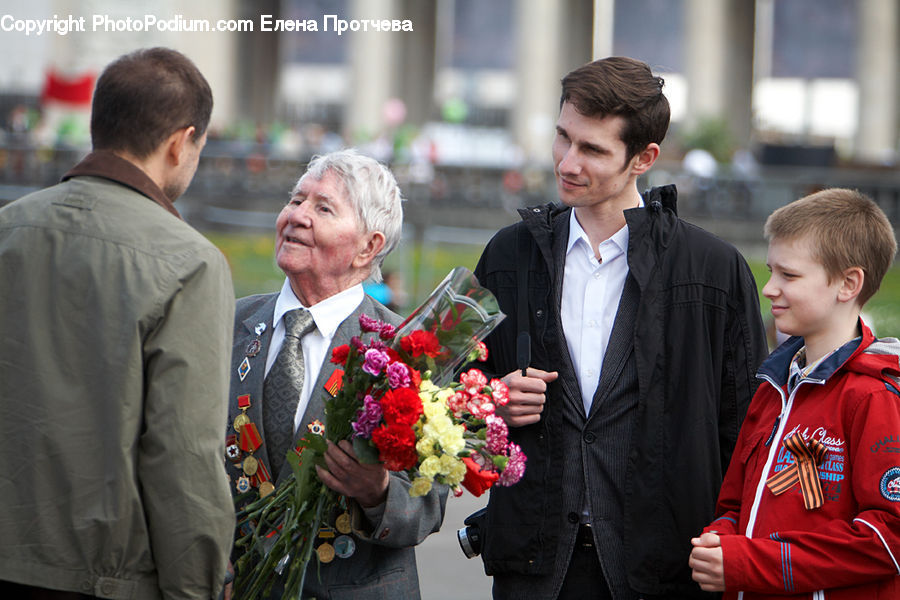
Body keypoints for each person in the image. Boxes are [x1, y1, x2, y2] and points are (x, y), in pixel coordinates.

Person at [471, 56, 769, 599]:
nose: (567, 161)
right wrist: (492, 399)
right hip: (535, 567)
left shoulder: (714, 271)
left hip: (667, 570)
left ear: (644, 158)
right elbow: (447, 400)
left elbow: (748, 431)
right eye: (563, 137)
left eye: (592, 150)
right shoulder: (507, 255)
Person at [0, 48, 235, 599]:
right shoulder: (190, 262)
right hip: (106, 580)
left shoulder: (7, 227)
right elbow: (183, 457)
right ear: (181, 142)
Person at [226, 149, 446, 598]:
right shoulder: (226, 323)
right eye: (295, 200)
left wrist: (377, 492)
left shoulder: (407, 352)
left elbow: (428, 502)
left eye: (323, 207)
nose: (297, 216)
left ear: (369, 246)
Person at [690, 189, 900, 599]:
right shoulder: (771, 387)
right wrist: (719, 541)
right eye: (771, 271)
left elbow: (888, 536)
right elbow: (735, 505)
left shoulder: (875, 397)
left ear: (848, 284)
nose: (768, 288)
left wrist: (749, 562)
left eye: (789, 275)